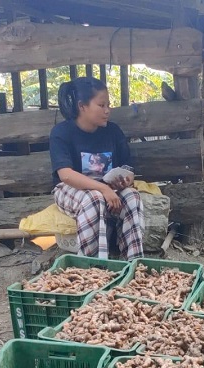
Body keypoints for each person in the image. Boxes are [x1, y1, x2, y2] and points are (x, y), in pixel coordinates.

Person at [49, 76, 144, 260]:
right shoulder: (62, 132)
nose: (107, 110)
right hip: (71, 189)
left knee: (132, 196)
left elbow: (127, 167)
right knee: (94, 199)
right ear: (82, 106)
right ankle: (92, 268)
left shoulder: (113, 131)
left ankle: (134, 265)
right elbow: (66, 175)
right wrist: (102, 188)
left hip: (107, 189)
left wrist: (125, 180)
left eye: (108, 105)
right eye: (101, 105)